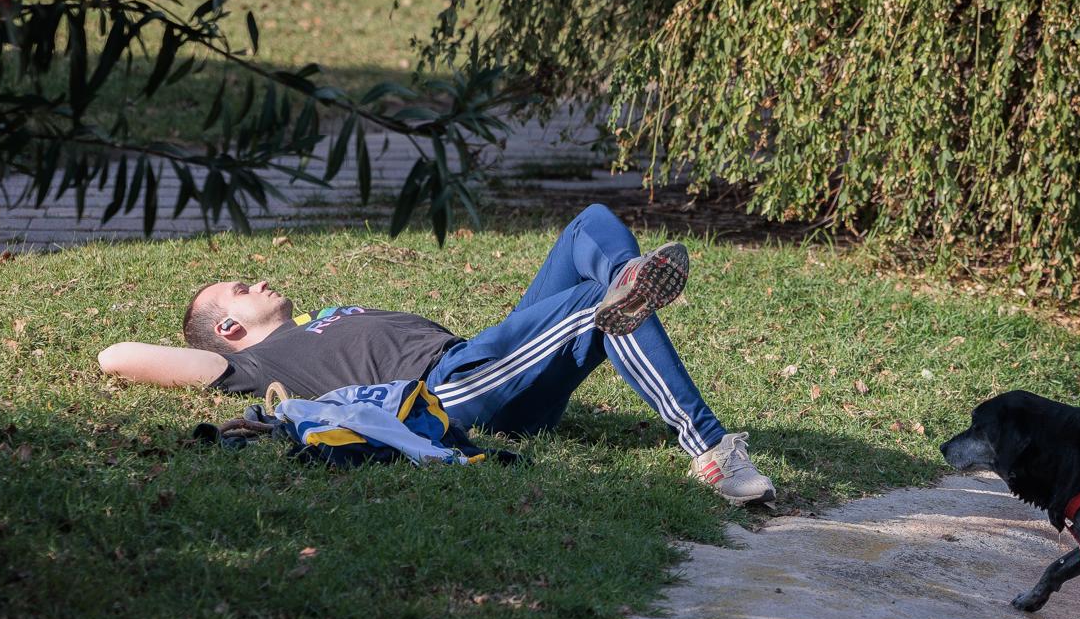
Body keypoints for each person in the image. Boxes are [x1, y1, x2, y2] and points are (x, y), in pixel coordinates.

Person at [97, 203, 776, 505]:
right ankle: (711, 452)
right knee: (597, 309)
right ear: (227, 332)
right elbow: (116, 356)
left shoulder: (318, 320)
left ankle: (631, 282)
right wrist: (201, 353)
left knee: (590, 225)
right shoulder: (250, 365)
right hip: (447, 394)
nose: (259, 283)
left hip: (480, 359)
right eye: (240, 292)